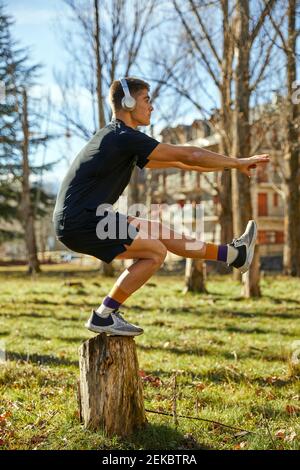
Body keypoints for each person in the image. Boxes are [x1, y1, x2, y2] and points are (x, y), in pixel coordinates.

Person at [53, 77, 270, 337]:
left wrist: (229, 165)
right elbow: (190, 155)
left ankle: (234, 255)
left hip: (86, 218)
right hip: (81, 222)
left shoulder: (119, 139)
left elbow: (183, 163)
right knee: (155, 252)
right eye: (147, 99)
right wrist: (238, 161)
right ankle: (104, 315)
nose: (151, 107)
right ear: (129, 102)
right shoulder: (123, 138)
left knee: (158, 232)